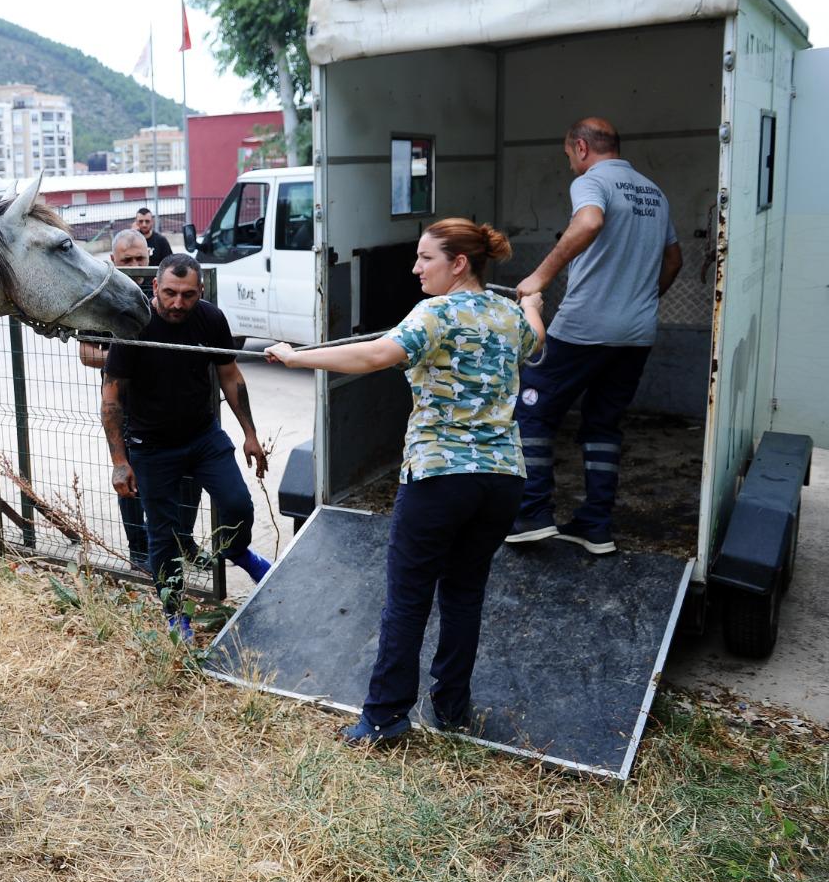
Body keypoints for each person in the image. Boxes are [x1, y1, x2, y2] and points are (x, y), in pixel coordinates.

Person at [265, 219, 545, 745]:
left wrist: (297, 356)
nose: (415, 268)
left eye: (425, 258)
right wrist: (533, 301)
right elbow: (537, 337)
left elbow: (374, 355)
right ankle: (451, 709)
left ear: (458, 263)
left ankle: (384, 718)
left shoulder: (435, 313)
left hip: (440, 477)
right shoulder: (508, 313)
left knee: (408, 598)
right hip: (502, 479)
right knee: (464, 594)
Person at [505, 117, 683, 555]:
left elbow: (588, 222)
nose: (570, 163)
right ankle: (595, 525)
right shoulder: (654, 193)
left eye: (569, 155)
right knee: (603, 423)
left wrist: (539, 278)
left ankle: (532, 513)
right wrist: (639, 302)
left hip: (584, 328)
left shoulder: (591, 182)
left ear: (582, 148)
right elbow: (674, 261)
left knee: (531, 410)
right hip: (636, 334)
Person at [102, 253, 270, 639]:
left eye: (188, 295)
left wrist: (250, 433)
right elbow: (111, 398)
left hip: (202, 436)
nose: (178, 303)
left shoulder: (211, 319)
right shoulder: (134, 325)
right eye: (170, 293)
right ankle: (175, 613)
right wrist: (119, 460)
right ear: (155, 287)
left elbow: (230, 375)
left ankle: (237, 551)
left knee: (238, 504)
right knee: (164, 535)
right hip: (151, 446)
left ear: (201, 291)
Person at [79, 230, 201, 572]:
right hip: (126, 408)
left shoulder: (166, 295)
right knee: (130, 479)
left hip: (175, 406)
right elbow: (87, 353)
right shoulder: (101, 298)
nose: (134, 266)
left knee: (188, 479)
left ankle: (184, 541)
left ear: (150, 257)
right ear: (113, 261)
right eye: (127, 260)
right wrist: (133, 358)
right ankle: (139, 550)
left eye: (140, 259)